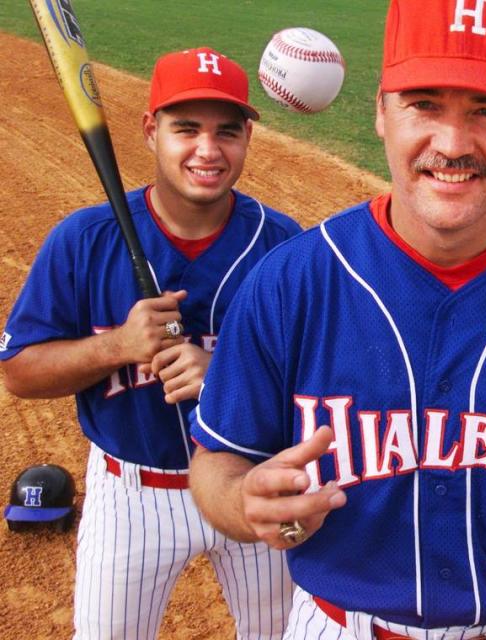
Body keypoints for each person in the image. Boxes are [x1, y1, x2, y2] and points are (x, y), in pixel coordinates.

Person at [187, 1, 486, 638]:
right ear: (381, 113)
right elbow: (216, 463)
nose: (452, 144)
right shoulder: (293, 283)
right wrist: (238, 501)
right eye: (424, 104)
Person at [0, 47, 302, 638]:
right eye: (186, 129)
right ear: (150, 130)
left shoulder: (283, 247)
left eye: (227, 132)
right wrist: (116, 347)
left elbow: (323, 382)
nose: (208, 150)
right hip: (131, 493)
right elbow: (18, 372)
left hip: (249, 480)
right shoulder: (85, 240)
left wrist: (226, 374)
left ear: (247, 138)